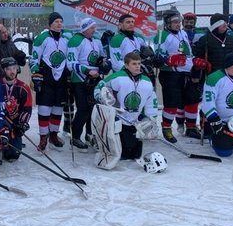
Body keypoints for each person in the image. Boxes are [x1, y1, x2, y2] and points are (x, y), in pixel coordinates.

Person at [155, 11, 211, 143]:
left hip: (186, 72)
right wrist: (169, 60)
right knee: (172, 101)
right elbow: (158, 58)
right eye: (175, 22)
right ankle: (167, 127)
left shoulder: (183, 33)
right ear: (168, 23)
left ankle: (191, 127)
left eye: (179, 22)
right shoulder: (162, 35)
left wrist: (195, 62)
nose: (178, 24)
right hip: (170, 73)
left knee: (192, 99)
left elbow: (187, 54)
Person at [95, 52, 158, 160]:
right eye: (134, 64)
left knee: (135, 155)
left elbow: (151, 101)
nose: (137, 66)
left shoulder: (147, 82)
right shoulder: (117, 77)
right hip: (119, 119)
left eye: (139, 63)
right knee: (122, 155)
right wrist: (102, 98)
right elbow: (100, 88)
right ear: (126, 65)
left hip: (136, 122)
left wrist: (151, 119)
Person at [66, 18, 107, 150]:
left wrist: (104, 63)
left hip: (95, 80)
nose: (94, 30)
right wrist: (87, 70)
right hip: (79, 80)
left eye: (95, 27)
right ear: (84, 28)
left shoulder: (96, 40)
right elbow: (70, 63)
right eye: (91, 28)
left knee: (94, 109)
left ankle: (90, 134)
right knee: (83, 109)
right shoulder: (76, 40)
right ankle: (76, 137)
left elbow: (102, 56)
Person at [30, 12, 69, 151]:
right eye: (57, 21)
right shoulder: (42, 38)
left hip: (62, 76)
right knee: (45, 107)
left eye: (61, 21)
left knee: (58, 107)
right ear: (50, 23)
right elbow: (34, 58)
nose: (59, 24)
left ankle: (53, 134)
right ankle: (43, 137)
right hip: (46, 75)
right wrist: (35, 72)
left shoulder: (66, 38)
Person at [0, 57, 32, 162]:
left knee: (13, 155)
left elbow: (27, 108)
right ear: (3, 70)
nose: (12, 71)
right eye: (8, 69)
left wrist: (22, 124)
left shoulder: (23, 87)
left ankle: (12, 141)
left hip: (14, 125)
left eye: (14, 68)